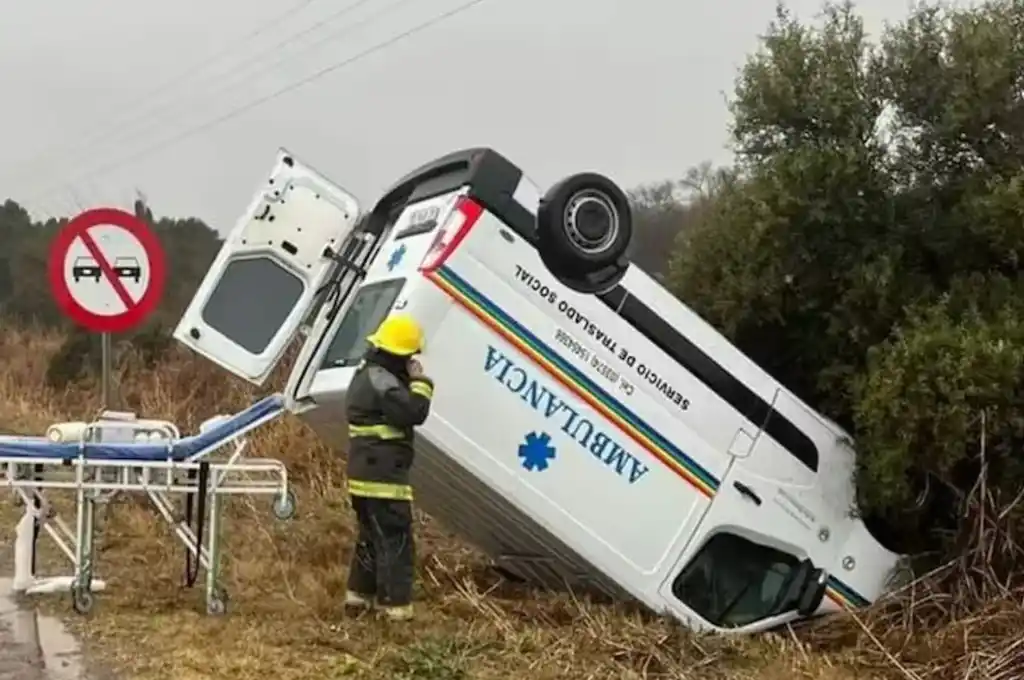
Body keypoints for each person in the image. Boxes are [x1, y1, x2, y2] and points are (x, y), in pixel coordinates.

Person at [343, 312, 434, 621]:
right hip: (383, 475)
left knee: (370, 537)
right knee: (396, 540)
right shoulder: (384, 380)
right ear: (399, 354)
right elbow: (413, 412)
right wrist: (421, 382)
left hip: (363, 474)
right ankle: (395, 610)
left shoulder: (366, 374)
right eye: (409, 355)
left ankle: (357, 599)